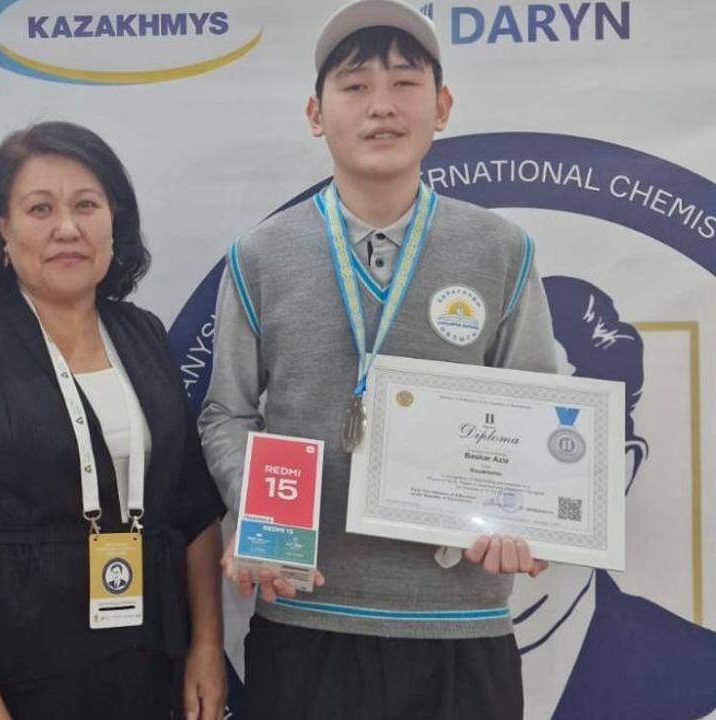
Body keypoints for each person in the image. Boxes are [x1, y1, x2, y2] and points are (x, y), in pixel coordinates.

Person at [198, 1, 557, 717]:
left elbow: (537, 417)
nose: (381, 106)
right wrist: (256, 510)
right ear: (316, 113)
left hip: (460, 623)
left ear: (442, 107)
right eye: (356, 85)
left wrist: (527, 518)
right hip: (308, 616)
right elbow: (226, 412)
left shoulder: (502, 251)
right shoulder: (260, 256)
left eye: (405, 83)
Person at [0, 121, 227, 719]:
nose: (66, 228)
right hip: (9, 677)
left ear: (114, 220)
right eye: (40, 208)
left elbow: (192, 506)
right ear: (3, 227)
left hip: (144, 669)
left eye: (86, 205)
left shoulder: (143, 336)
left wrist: (206, 644)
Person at [512, 276, 716, 719]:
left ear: (622, 468)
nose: (507, 461)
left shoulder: (700, 678)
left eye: (554, 431)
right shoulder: (388, 658)